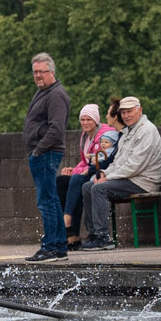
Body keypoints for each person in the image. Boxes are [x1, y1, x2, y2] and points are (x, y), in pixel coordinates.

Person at [78, 96, 161, 252]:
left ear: (140, 110)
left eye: (129, 112)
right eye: (123, 113)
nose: (126, 116)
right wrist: (103, 173)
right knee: (87, 186)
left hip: (143, 181)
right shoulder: (127, 132)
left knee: (99, 188)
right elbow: (118, 162)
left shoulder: (146, 130)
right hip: (130, 178)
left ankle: (103, 238)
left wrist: (107, 178)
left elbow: (134, 166)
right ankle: (94, 235)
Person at [23, 52, 73, 262]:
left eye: (41, 72)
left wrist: (38, 150)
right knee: (51, 200)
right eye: (35, 72)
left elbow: (56, 129)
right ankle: (60, 246)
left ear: (51, 72)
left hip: (46, 153)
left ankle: (50, 246)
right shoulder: (44, 92)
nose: (37, 76)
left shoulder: (56, 95)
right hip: (43, 153)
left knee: (46, 201)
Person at [61, 104, 113, 250]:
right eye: (82, 120)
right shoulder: (85, 136)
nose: (85, 123)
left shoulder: (106, 134)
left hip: (102, 171)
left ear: (96, 120)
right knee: (62, 181)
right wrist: (74, 170)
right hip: (89, 170)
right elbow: (85, 161)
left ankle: (67, 219)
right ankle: (72, 237)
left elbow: (104, 160)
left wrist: (82, 172)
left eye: (88, 119)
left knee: (77, 181)